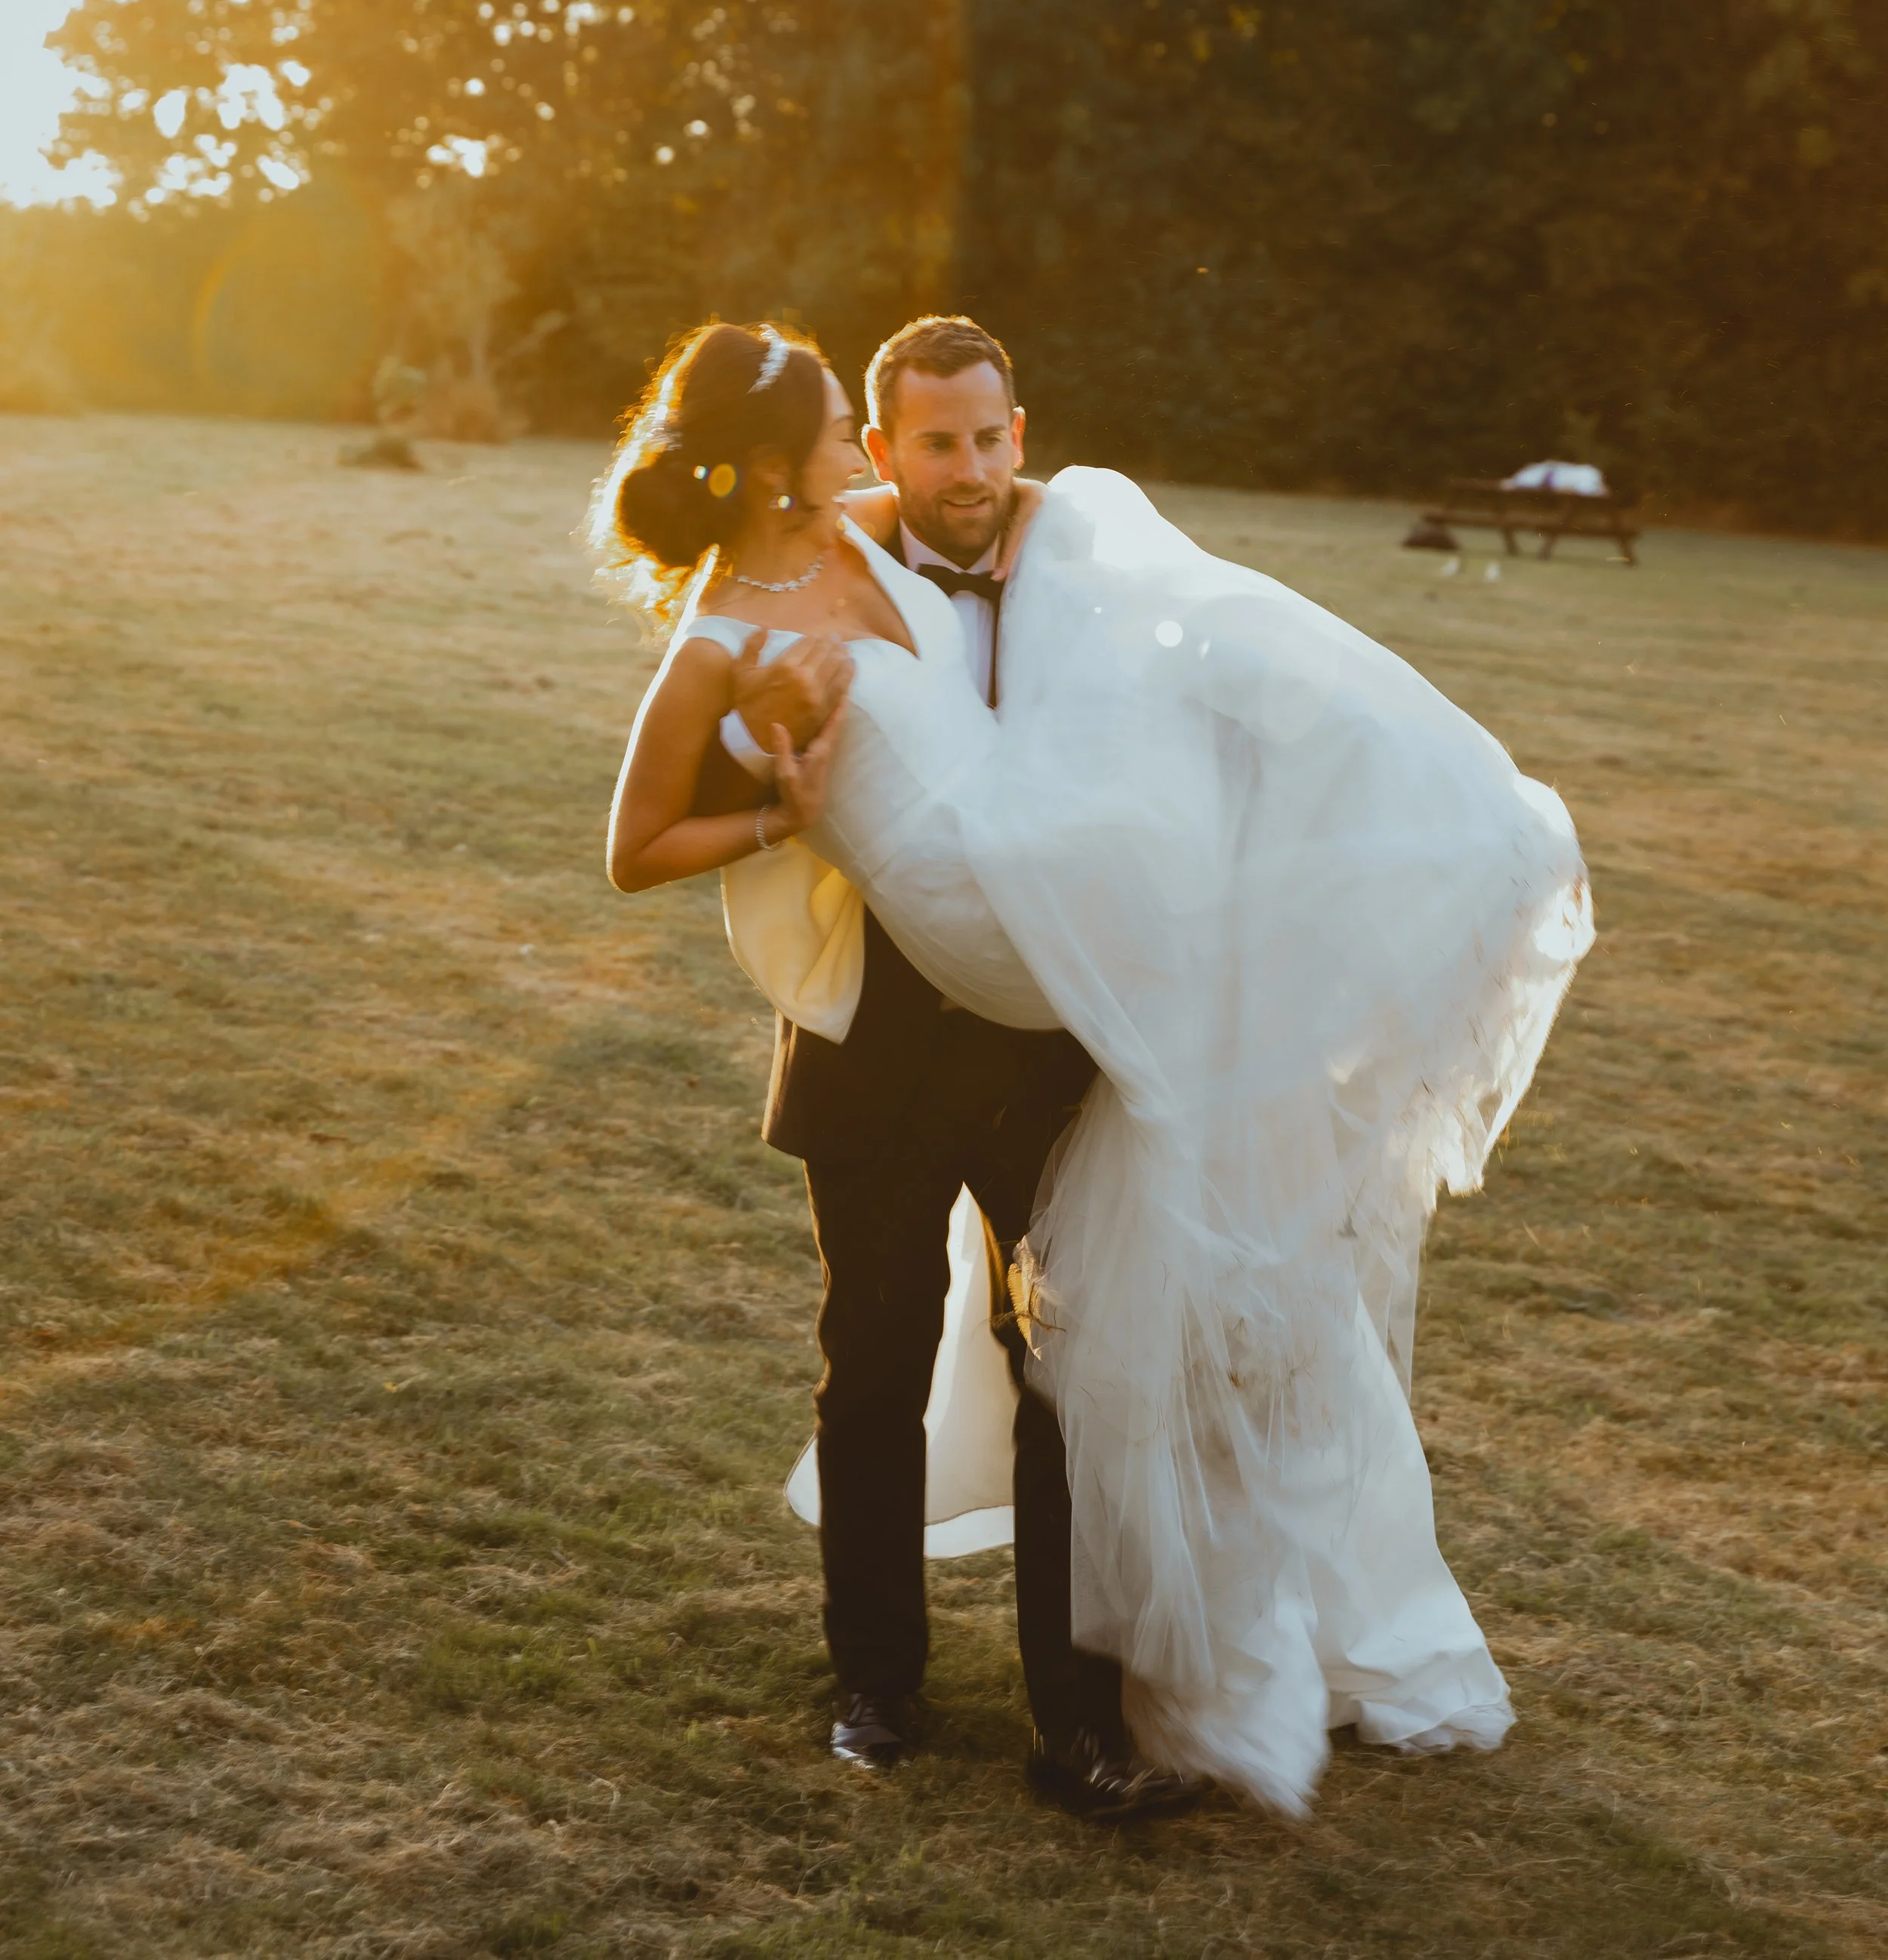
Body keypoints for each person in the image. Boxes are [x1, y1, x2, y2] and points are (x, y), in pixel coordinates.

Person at [597, 317, 1592, 1817]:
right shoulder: (714, 635)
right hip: (876, 1044)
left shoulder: (896, 531)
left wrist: (1075, 527)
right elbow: (629, 849)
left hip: (1036, 1025)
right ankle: (876, 1683)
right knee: (869, 1360)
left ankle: (1081, 1720)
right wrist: (781, 810)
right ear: (818, 447)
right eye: (912, 439)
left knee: (1069, 1359)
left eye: (989, 441)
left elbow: (1038, 536)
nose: (972, 470)